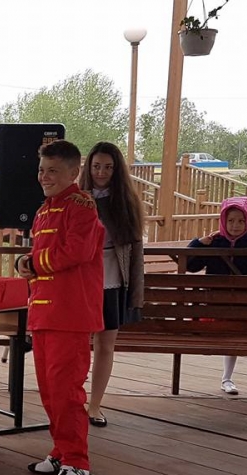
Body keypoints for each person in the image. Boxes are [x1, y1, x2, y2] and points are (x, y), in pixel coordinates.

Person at [15, 140, 104, 475]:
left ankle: (77, 460)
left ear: (73, 173)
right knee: (50, 390)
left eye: (53, 171)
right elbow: (44, 257)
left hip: (70, 314)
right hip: (44, 311)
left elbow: (75, 251)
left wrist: (34, 263)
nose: (44, 176)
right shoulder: (44, 211)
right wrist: (26, 263)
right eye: (42, 170)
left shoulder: (82, 207)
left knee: (67, 390)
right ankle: (61, 450)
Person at [78, 142, 144, 427]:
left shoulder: (126, 203)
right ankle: (73, 400)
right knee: (77, 344)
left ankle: (94, 405)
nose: (101, 172)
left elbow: (136, 253)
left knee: (105, 344)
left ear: (117, 170)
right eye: (96, 166)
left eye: (107, 167)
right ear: (88, 168)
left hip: (112, 279)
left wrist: (135, 296)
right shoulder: (76, 199)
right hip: (82, 281)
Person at [186, 196, 247, 395]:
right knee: (221, 333)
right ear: (223, 220)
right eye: (230, 220)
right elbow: (190, 265)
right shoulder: (215, 241)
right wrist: (198, 243)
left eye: (240, 221)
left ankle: (227, 378)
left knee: (234, 333)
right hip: (215, 304)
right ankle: (225, 376)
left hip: (240, 306)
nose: (235, 225)